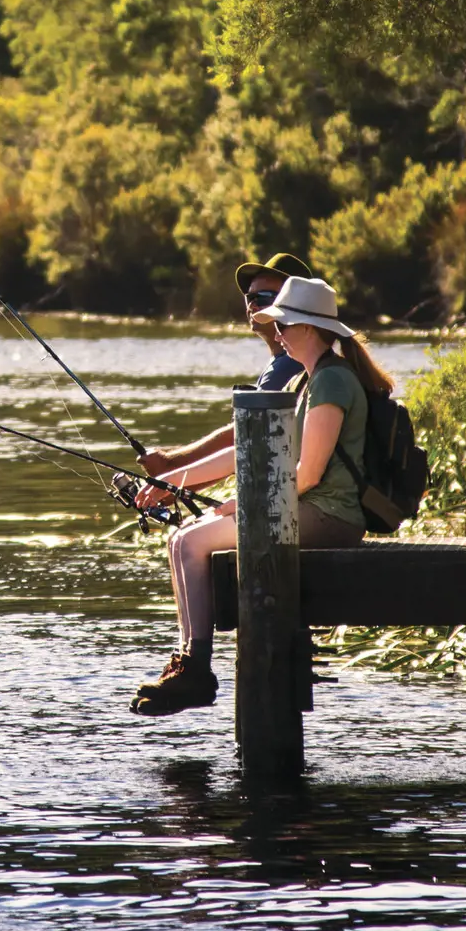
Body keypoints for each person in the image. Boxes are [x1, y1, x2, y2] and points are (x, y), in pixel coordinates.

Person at [120, 273, 396, 715]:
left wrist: (247, 505)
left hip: (332, 516)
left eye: (284, 325)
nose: (278, 334)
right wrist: (173, 484)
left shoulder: (333, 383)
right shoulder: (305, 381)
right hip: (303, 509)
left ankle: (196, 669)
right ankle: (190, 660)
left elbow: (308, 474)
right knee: (181, 538)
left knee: (192, 542)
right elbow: (242, 450)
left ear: (309, 328)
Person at [128, 254, 312, 491]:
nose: (252, 305)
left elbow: (239, 437)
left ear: (297, 303)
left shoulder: (288, 366)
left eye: (264, 297)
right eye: (250, 297)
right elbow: (243, 450)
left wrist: (171, 464)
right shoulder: (283, 361)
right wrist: (179, 482)